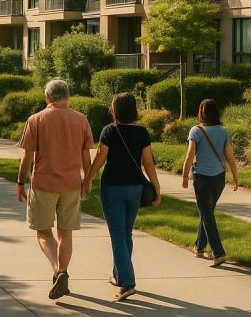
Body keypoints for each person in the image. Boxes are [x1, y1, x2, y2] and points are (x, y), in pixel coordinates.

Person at [16, 78, 93, 301]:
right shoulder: (81, 120)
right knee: (65, 232)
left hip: (43, 184)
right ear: (67, 96)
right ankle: (63, 271)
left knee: (43, 231)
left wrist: (21, 182)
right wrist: (87, 180)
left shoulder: (36, 119)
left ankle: (58, 270)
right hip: (70, 184)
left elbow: (27, 156)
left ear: (47, 98)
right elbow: (85, 154)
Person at [83, 92, 162, 302]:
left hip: (113, 188)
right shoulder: (142, 132)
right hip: (135, 188)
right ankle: (118, 276)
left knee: (118, 234)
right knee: (126, 233)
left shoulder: (110, 131)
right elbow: (148, 163)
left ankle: (127, 283)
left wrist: (88, 178)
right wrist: (157, 188)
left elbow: (100, 158)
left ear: (115, 110)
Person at [182, 98, 240, 266]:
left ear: (201, 113)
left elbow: (189, 155)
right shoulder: (223, 131)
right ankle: (199, 247)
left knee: (207, 214)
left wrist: (185, 175)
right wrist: (236, 178)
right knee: (206, 212)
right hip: (219, 179)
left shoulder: (196, 130)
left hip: (201, 178)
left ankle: (218, 253)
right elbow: (230, 156)